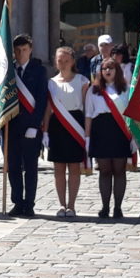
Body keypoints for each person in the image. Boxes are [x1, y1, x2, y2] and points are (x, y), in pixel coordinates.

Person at [43, 46, 89, 218]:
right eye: (59, 60)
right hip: (57, 126)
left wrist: (87, 133)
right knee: (59, 168)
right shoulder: (51, 82)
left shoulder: (82, 81)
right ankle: (62, 204)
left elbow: (87, 109)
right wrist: (46, 131)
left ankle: (72, 205)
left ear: (73, 61)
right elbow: (48, 109)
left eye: (66, 60)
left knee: (74, 167)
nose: (62, 63)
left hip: (75, 124)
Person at [7, 34, 48, 217]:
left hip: (30, 127)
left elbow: (41, 100)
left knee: (30, 168)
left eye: (24, 50)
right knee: (13, 167)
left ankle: (29, 203)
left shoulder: (39, 70)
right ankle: (17, 202)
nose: (20, 53)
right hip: (12, 126)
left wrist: (35, 124)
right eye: (17, 50)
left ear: (30, 50)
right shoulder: (9, 71)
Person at [85, 57, 131, 219]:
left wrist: (132, 138)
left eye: (111, 68)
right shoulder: (94, 90)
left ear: (117, 70)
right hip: (100, 131)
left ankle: (118, 208)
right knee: (104, 171)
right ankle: (105, 207)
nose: (107, 71)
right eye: (104, 68)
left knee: (119, 171)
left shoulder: (125, 89)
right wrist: (88, 137)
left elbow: (130, 115)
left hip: (119, 131)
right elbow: (89, 114)